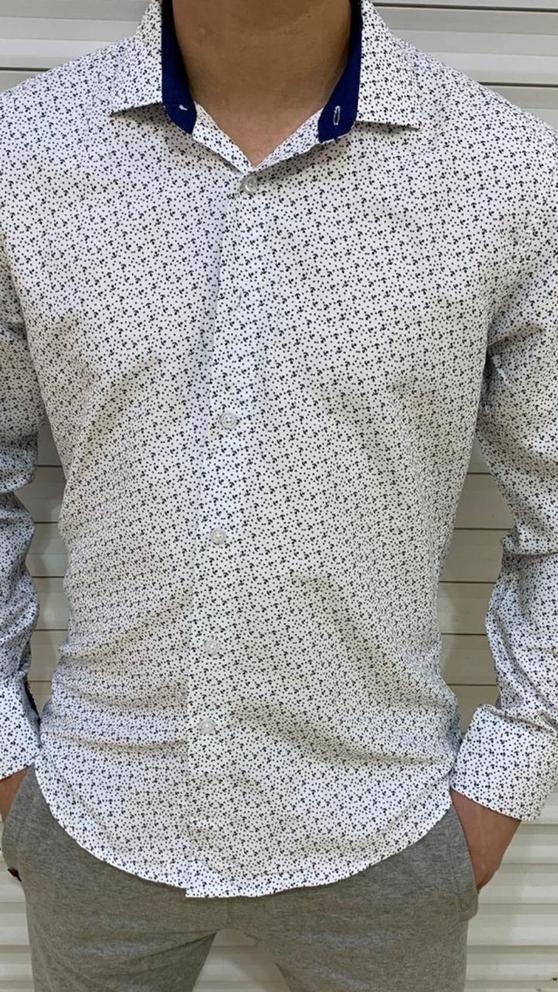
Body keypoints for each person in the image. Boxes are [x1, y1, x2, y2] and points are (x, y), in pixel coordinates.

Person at [0, 0, 556, 989]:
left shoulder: (506, 171)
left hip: (387, 827)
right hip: (95, 817)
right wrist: (11, 769)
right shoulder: (25, 154)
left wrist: (499, 790)